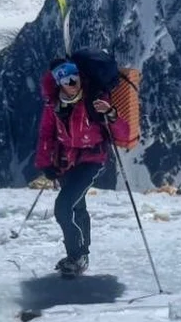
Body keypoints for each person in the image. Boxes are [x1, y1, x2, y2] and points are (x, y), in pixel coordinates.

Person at [34, 57, 131, 277]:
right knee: (77, 207)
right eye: (65, 78)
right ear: (58, 83)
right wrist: (45, 162)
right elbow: (46, 135)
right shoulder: (54, 106)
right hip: (66, 162)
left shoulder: (95, 101)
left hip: (91, 161)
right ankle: (82, 253)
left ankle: (76, 256)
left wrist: (111, 114)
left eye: (73, 75)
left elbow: (123, 134)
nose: (71, 81)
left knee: (63, 207)